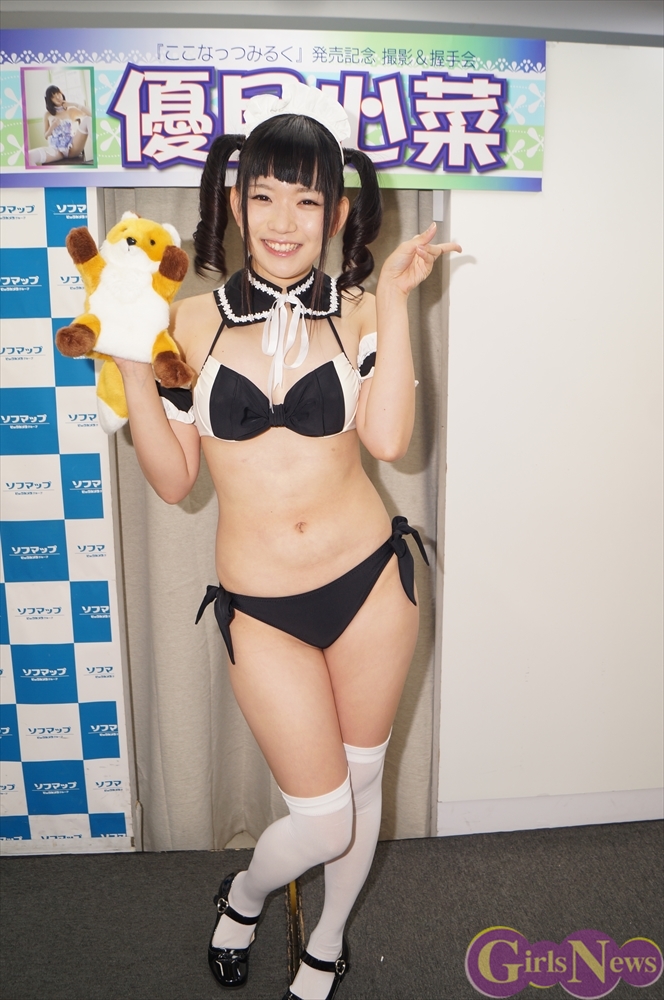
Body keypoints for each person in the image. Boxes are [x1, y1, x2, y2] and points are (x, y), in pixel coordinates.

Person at [114, 83, 460, 1000]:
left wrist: (397, 300)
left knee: (362, 788)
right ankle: (246, 893)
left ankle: (326, 942)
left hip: (370, 585)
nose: (282, 221)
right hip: (262, 605)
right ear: (236, 203)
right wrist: (134, 369)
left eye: (307, 201)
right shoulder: (186, 321)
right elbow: (174, 481)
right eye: (264, 195)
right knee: (321, 818)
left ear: (336, 215)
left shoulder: (363, 310)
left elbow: (390, 443)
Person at [28, 85, 92, 165]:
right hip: (56, 150)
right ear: (50, 100)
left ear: (61, 94)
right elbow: (46, 136)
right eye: (53, 97)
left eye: (58, 94)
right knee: (28, 156)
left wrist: (72, 104)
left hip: (72, 147)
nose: (57, 97)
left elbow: (90, 114)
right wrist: (52, 127)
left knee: (88, 119)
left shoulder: (70, 110)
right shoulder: (47, 114)